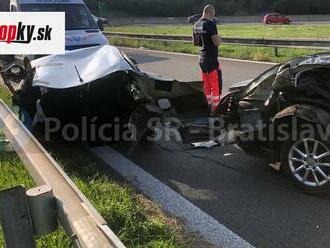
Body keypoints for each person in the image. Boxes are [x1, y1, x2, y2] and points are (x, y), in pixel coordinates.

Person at [193, 4, 222, 113]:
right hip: (211, 58)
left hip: (201, 59)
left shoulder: (196, 24)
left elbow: (195, 43)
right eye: (213, 14)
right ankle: (215, 109)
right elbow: (216, 42)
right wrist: (219, 39)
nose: (213, 16)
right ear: (211, 13)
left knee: (206, 85)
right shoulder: (210, 24)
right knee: (215, 85)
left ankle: (208, 105)